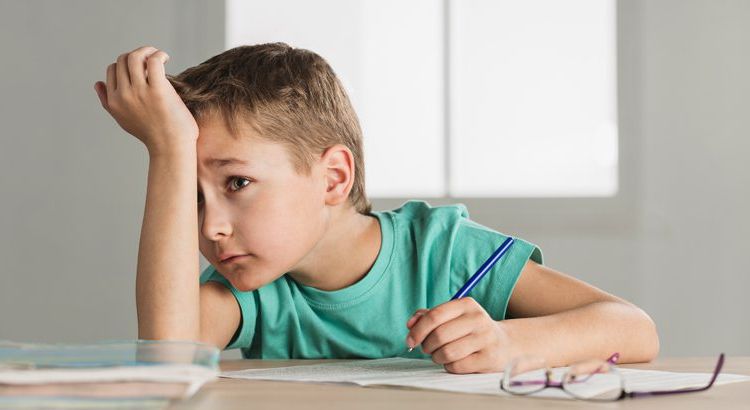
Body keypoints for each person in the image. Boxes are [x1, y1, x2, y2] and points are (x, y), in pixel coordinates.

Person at [93, 43, 659, 374]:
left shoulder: (442, 252)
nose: (210, 226)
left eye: (237, 182)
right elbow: (167, 358)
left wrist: (509, 342)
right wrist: (166, 149)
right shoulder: (249, 288)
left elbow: (634, 329)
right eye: (190, 197)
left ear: (333, 177)